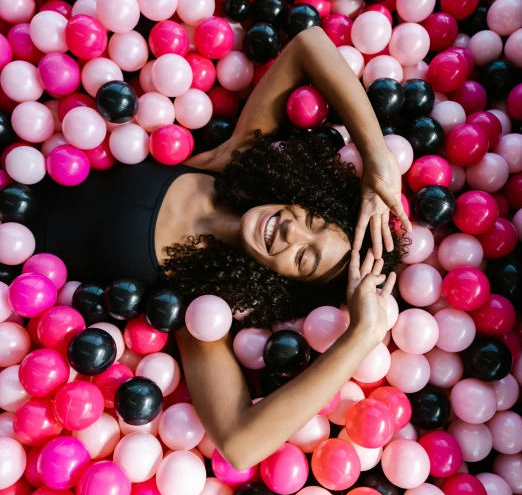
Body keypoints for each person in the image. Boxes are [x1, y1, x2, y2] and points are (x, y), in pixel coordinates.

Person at [37, 25, 410, 468]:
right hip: (24, 165)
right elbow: (306, 44)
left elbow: (240, 444)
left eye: (305, 258)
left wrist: (361, 336)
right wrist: (378, 157)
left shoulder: (200, 301)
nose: (292, 231)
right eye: (313, 219)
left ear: (287, 284)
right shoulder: (228, 161)